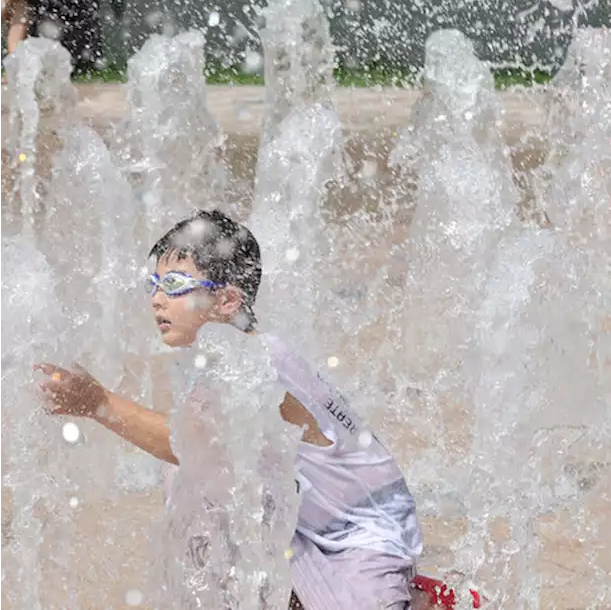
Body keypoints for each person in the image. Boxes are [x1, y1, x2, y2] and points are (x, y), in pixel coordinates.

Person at [36, 210, 424, 610]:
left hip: (364, 537)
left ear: (227, 300)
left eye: (174, 285)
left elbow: (186, 445)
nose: (157, 298)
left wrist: (97, 403)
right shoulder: (230, 356)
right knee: (194, 484)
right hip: (314, 527)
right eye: (154, 283)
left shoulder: (255, 364)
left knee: (193, 464)